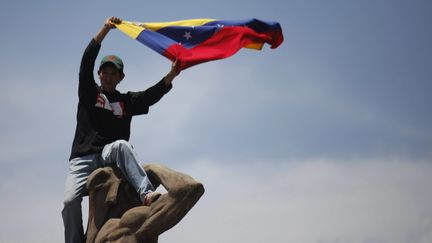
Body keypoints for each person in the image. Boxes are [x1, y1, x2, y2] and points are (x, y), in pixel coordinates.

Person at [62, 16, 181, 243]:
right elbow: (86, 60)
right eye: (105, 72)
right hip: (83, 159)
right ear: (99, 74)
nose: (108, 76)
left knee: (122, 146)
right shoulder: (89, 93)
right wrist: (105, 29)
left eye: (113, 73)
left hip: (108, 156)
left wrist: (171, 76)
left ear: (120, 77)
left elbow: (150, 95)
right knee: (69, 202)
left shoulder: (126, 101)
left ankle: (147, 195)